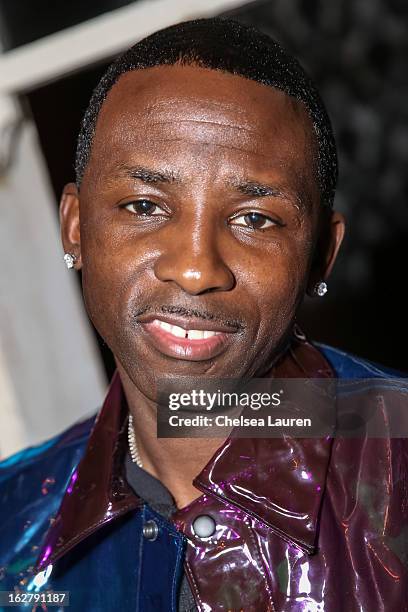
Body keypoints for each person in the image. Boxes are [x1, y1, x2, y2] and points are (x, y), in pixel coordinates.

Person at [0, 17, 407, 612]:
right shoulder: (16, 523)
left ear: (321, 255)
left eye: (254, 219)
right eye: (144, 206)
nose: (196, 269)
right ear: (77, 226)